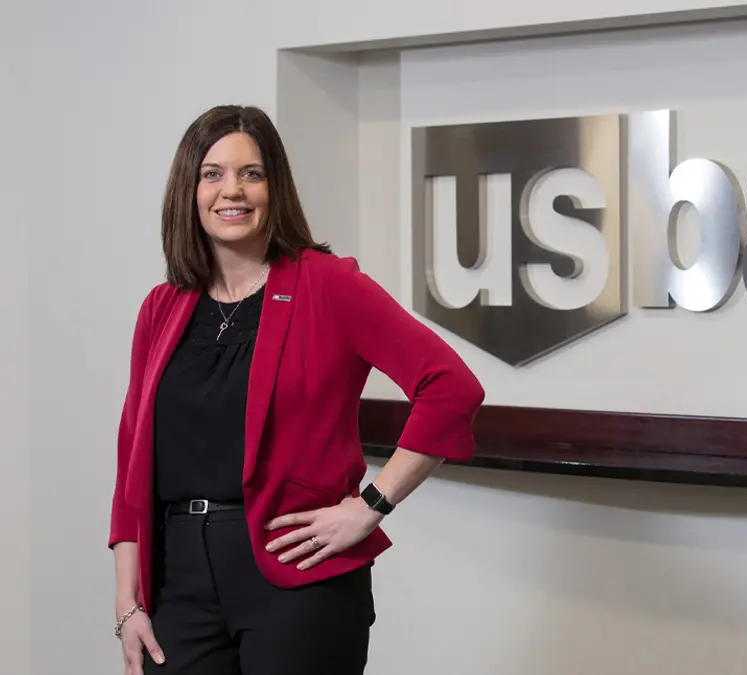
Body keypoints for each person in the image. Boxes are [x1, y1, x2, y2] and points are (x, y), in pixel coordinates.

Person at [108, 105, 486, 675]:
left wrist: (369, 508)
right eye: (212, 174)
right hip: (177, 580)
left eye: (250, 173)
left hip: (298, 579)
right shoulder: (161, 309)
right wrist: (128, 600)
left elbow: (451, 388)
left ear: (274, 186)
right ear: (188, 190)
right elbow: (133, 458)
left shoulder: (328, 285)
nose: (231, 190)